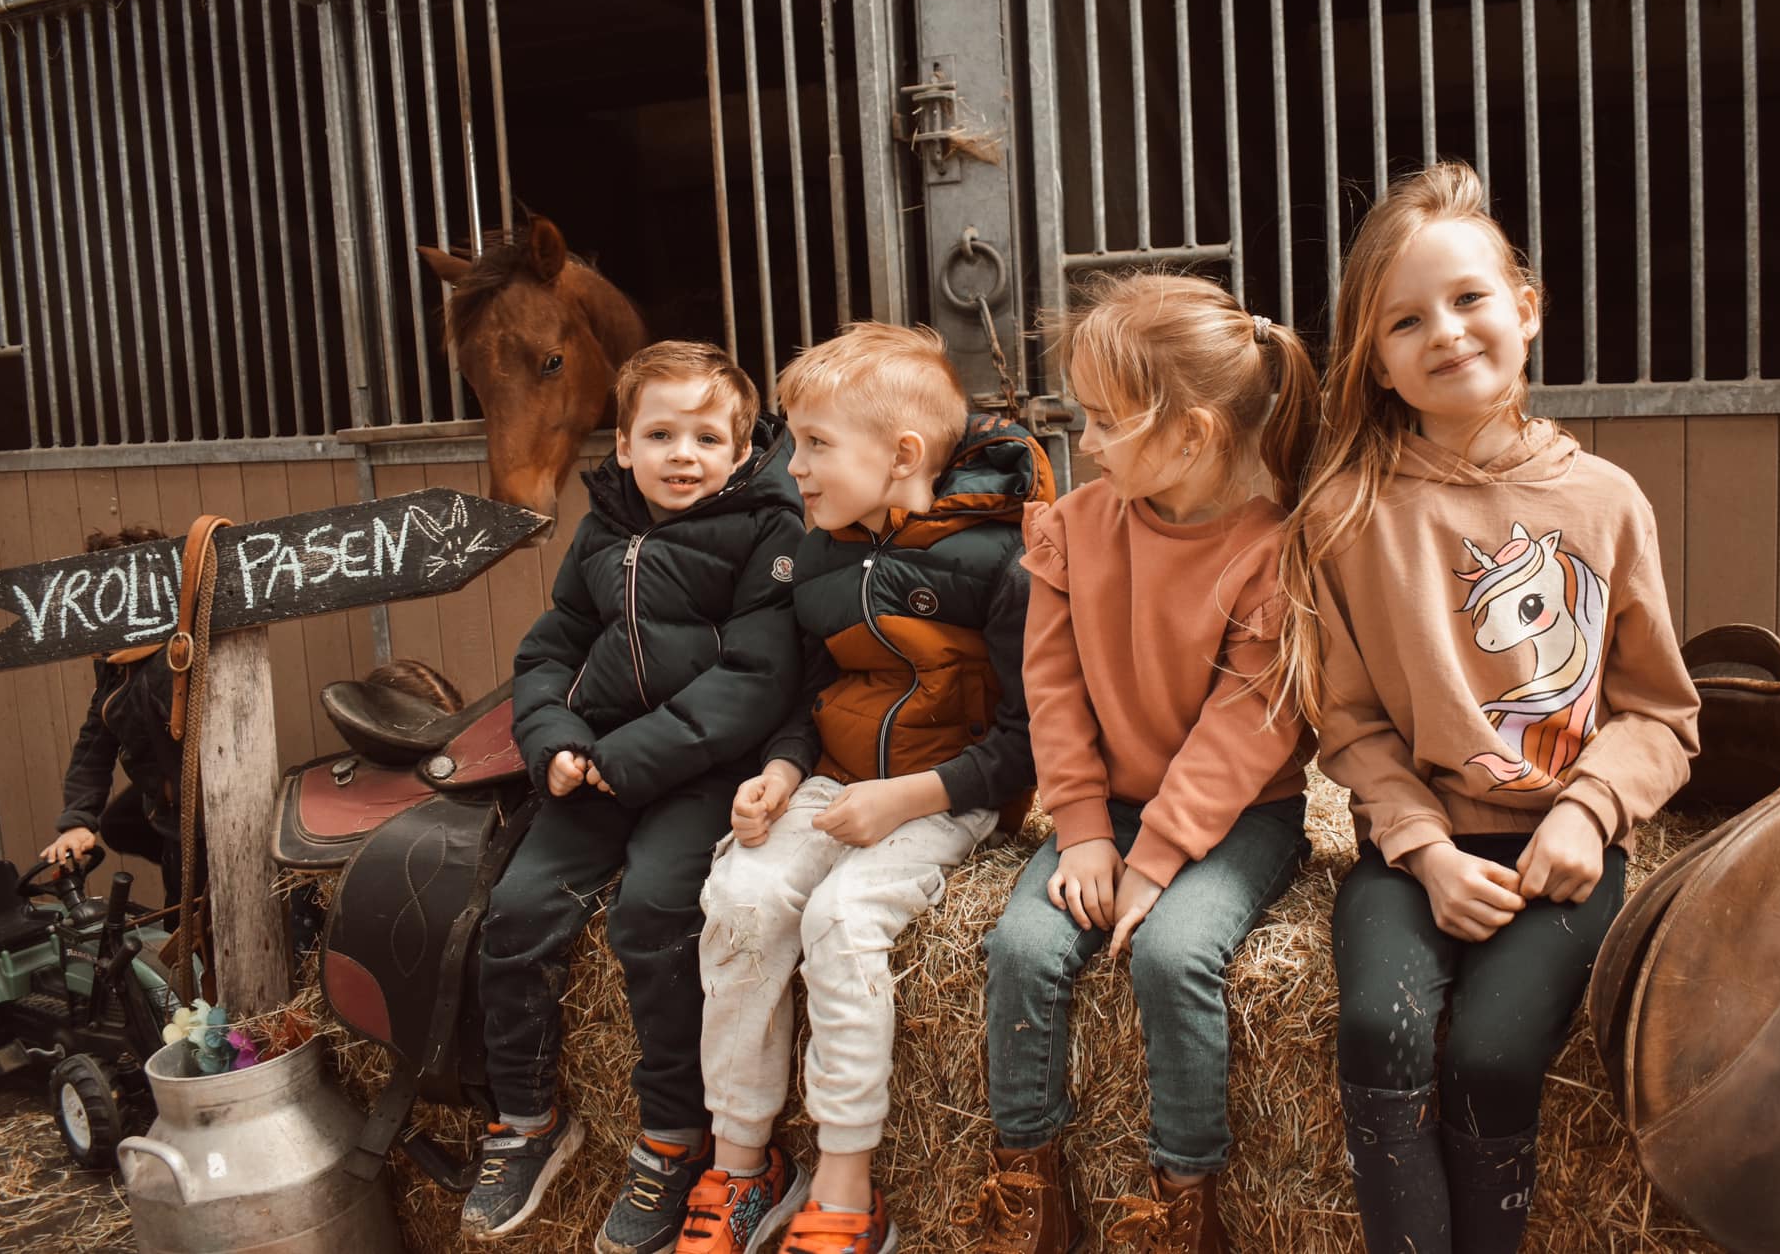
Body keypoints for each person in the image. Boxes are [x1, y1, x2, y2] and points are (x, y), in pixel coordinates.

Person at [1270, 162, 1700, 1254]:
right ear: (1374, 360)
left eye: (1468, 298)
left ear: (1527, 307)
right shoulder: (1345, 514)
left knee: (1494, 1057)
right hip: (1414, 850)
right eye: (1405, 320)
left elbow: (1658, 712)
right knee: (1377, 1030)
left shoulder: (1605, 501)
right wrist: (1421, 851)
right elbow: (1348, 723)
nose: (1446, 333)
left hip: (1561, 851)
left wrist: (1588, 812)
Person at [963, 274, 1320, 1254]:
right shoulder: (1075, 528)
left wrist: (1155, 860)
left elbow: (1244, 734)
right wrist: (1082, 831)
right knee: (1020, 949)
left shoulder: (1268, 553)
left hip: (1237, 816)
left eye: (1105, 420)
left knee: (1171, 954)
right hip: (1106, 808)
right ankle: (1028, 1188)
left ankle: (1184, 1202)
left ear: (1192, 435)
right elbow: (1053, 690)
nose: (1085, 441)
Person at [689, 323, 1052, 1254]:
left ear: (900, 455)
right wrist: (781, 770)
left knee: (841, 921)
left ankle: (846, 1184)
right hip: (835, 778)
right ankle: (742, 1164)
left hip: (948, 791)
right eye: (792, 441)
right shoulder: (820, 552)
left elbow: (1029, 743)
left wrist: (909, 798)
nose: (793, 467)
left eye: (815, 444)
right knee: (740, 899)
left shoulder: (1005, 562)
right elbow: (811, 693)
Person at [461, 341, 805, 1253]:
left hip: (704, 772)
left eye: (707, 438)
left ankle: (670, 1139)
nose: (682, 455)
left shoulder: (768, 530)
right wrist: (552, 743)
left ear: (742, 450)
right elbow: (550, 650)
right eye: (660, 435)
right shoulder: (602, 531)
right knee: (517, 908)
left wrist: (633, 757)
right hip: (596, 764)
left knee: (654, 914)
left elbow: (759, 677)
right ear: (621, 444)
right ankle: (526, 1119)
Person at [43, 527, 186, 908]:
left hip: (199, 810)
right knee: (119, 823)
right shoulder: (114, 666)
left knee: (190, 909)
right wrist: (77, 820)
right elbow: (95, 741)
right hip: (164, 803)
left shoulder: (175, 657)